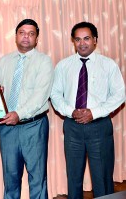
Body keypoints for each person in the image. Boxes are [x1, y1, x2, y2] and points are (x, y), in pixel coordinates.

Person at [51, 21, 125, 198]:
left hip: (99, 127)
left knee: (102, 178)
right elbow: (55, 94)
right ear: (73, 42)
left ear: (95, 40)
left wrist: (94, 112)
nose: (82, 43)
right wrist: (70, 111)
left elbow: (120, 95)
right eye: (77, 39)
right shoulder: (63, 65)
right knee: (74, 177)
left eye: (86, 38)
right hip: (72, 126)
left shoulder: (108, 65)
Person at [0, 19, 54, 199]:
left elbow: (40, 96)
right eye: (22, 33)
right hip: (7, 128)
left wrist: (19, 114)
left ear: (37, 39)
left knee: (37, 178)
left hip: (33, 127)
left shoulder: (44, 62)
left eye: (31, 33)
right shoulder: (4, 61)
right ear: (16, 36)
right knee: (10, 178)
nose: (26, 37)